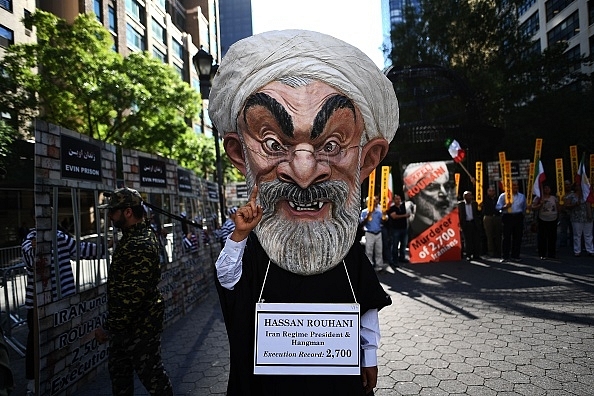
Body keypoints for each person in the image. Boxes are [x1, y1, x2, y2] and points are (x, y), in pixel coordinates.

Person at [209, 29, 397, 396]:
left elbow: (367, 308)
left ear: (366, 160)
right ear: (239, 154)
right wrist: (239, 237)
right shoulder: (254, 250)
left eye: (331, 144)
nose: (305, 172)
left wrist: (369, 356)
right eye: (273, 144)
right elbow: (228, 279)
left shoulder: (350, 257)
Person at [95, 187, 173, 396]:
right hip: (128, 327)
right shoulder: (136, 236)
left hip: (139, 327)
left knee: (152, 377)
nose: (110, 216)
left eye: (113, 211)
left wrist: (109, 327)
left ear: (128, 212)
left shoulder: (139, 243)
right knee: (121, 377)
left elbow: (131, 297)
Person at [21, 217, 104, 396]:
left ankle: (60, 375)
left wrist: (105, 247)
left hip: (63, 302)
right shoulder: (31, 239)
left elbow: (81, 250)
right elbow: (29, 260)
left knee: (62, 339)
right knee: (36, 343)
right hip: (39, 306)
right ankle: (34, 383)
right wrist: (37, 249)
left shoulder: (60, 237)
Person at [403, 161, 457, 239]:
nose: (444, 193)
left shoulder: (451, 227)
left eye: (446, 186)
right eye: (432, 187)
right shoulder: (414, 231)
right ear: (414, 193)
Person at [496, 180, 527, 262]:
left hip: (518, 216)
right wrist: (505, 206)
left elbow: (524, 207)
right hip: (507, 216)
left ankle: (515, 255)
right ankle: (505, 256)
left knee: (517, 237)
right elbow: (498, 207)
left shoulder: (522, 196)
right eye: (513, 185)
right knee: (506, 237)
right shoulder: (503, 196)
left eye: (516, 185)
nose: (515, 187)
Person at [564, 183, 594, 257]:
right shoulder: (571, 196)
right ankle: (577, 250)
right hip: (576, 217)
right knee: (577, 234)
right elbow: (567, 205)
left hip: (587, 217)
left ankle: (590, 250)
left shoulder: (587, 194)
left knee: (588, 234)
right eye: (578, 185)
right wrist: (575, 205)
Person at [531, 183, 560, 259]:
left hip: (553, 219)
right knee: (542, 237)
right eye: (545, 188)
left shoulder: (554, 198)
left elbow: (558, 208)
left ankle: (552, 253)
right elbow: (533, 207)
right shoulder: (538, 198)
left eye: (548, 188)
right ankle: (542, 253)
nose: (547, 190)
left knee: (552, 237)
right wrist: (540, 204)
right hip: (542, 219)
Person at [360, 196, 387, 272]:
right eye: (371, 202)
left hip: (378, 233)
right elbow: (361, 223)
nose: (374, 203)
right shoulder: (364, 212)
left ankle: (379, 266)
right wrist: (368, 215)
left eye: (374, 202)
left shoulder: (379, 212)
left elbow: (383, 222)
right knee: (369, 251)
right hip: (369, 233)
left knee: (379, 251)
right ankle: (369, 266)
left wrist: (384, 217)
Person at [386, 194, 410, 266]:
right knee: (395, 245)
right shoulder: (392, 208)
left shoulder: (403, 207)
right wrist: (404, 216)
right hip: (395, 229)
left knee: (403, 245)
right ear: (393, 200)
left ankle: (402, 257)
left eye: (399, 199)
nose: (398, 200)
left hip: (404, 228)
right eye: (396, 199)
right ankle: (394, 260)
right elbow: (394, 216)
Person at [458, 191, 482, 261]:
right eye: (467, 196)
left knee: (476, 240)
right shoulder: (460, 205)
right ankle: (468, 255)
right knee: (468, 240)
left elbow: (478, 213)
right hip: (466, 223)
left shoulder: (475, 203)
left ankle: (476, 255)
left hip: (474, 223)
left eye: (470, 196)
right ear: (464, 197)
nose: (469, 197)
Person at [482, 186, 502, 258]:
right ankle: (491, 251)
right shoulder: (484, 198)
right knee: (489, 235)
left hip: (497, 217)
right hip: (488, 217)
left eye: (493, 190)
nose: (491, 192)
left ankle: (499, 251)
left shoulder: (498, 199)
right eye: (490, 191)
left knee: (498, 234)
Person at [558, 180, 573, 248]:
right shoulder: (560, 194)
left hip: (572, 214)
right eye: (566, 185)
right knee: (563, 230)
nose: (568, 186)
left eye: (569, 184)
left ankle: (572, 243)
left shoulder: (573, 194)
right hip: (563, 214)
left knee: (572, 229)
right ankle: (563, 243)